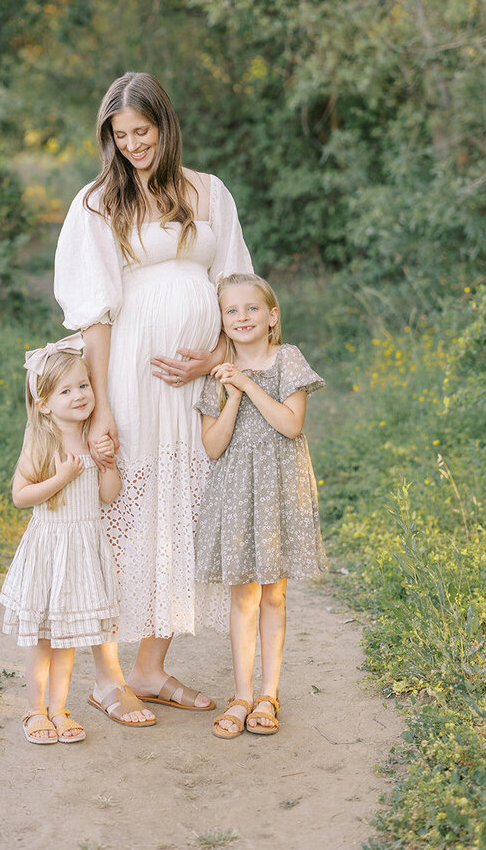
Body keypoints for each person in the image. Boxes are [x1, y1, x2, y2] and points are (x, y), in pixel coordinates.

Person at [54, 72, 253, 726]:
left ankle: (150, 668)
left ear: (165, 126)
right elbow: (96, 314)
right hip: (131, 378)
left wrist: (218, 355)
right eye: (121, 135)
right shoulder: (98, 204)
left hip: (193, 383)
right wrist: (102, 405)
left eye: (143, 131)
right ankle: (107, 678)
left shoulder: (209, 192)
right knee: (119, 514)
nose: (134, 145)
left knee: (183, 514)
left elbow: (237, 285)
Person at [194, 273, 327, 738]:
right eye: (232, 311)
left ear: (272, 317)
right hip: (235, 491)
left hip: (279, 489)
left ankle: (269, 694)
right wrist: (232, 394)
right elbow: (212, 447)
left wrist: (249, 386)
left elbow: (290, 424)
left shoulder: (287, 359)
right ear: (222, 323)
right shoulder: (220, 373)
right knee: (243, 594)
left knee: (274, 592)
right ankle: (242, 693)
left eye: (252, 308)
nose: (242, 317)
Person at [0, 333, 125, 744]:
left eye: (83, 386)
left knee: (67, 636)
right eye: (66, 390)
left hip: (84, 550)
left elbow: (108, 497)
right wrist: (60, 478)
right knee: (43, 639)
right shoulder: (42, 439)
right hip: (51, 548)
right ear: (44, 403)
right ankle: (35, 710)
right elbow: (21, 496)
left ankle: (60, 708)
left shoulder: (94, 437)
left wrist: (106, 464)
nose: (78, 396)